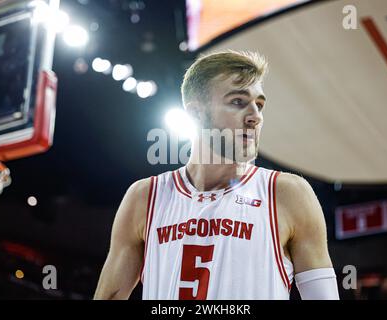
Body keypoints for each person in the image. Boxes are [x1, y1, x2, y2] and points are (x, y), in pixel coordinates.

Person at [94, 50, 340, 300]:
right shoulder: (144, 197)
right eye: (238, 101)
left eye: (260, 105)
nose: (255, 116)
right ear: (196, 113)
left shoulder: (287, 194)